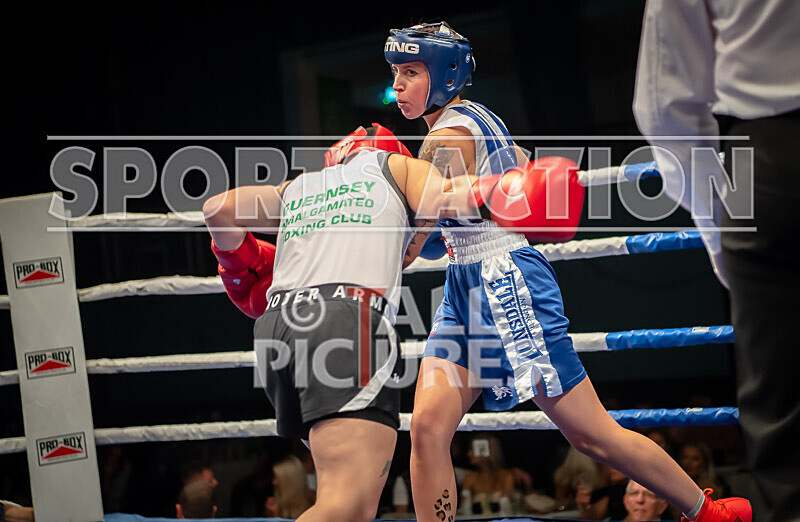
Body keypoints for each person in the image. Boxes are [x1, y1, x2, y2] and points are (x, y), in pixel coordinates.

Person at [384, 21, 751, 522]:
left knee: (589, 433)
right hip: (465, 285)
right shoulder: (481, 120)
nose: (398, 84)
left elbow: (412, 242)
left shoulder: (445, 138)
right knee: (427, 428)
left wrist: (366, 199)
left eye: (410, 71)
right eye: (395, 72)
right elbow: (518, 180)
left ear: (445, 75)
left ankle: (708, 513)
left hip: (505, 281)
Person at [203, 123, 518, 522]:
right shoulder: (397, 168)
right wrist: (514, 191)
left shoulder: (300, 187)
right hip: (347, 327)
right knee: (343, 507)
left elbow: (217, 210)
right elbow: (445, 194)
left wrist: (240, 264)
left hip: (278, 330)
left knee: (352, 506)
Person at [633, 2, 800, 521]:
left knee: (784, 416)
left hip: (772, 154)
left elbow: (665, 102)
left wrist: (720, 234)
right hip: (767, 155)